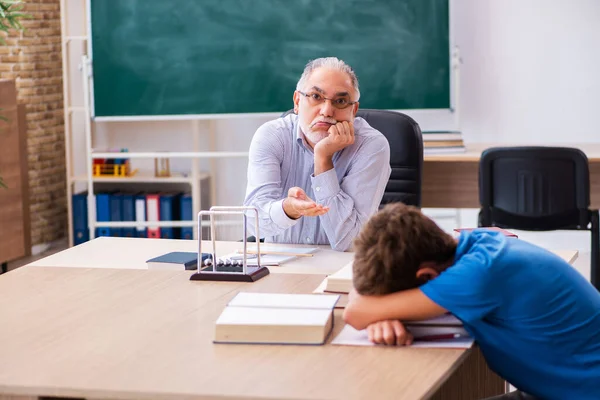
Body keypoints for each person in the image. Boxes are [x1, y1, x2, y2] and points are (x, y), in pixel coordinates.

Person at [343, 203, 600, 400]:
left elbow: (355, 313)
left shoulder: (478, 275)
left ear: (427, 276)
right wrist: (384, 312)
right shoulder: (478, 243)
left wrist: (377, 311)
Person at [243, 57, 391, 251]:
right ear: (297, 101)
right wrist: (288, 210)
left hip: (342, 270)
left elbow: (349, 242)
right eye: (315, 96)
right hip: (282, 266)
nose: (327, 111)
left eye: (340, 101)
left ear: (353, 110)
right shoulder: (272, 136)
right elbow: (254, 224)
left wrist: (323, 159)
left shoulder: (371, 145)